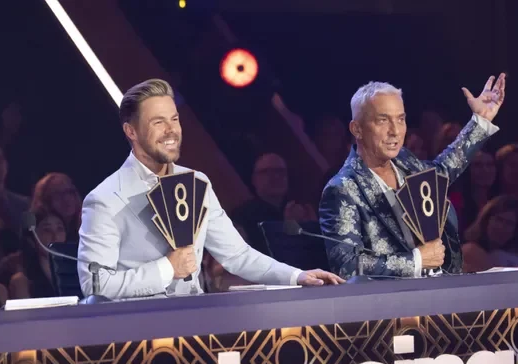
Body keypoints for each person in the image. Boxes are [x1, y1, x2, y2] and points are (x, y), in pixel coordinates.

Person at [77, 79, 343, 299]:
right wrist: (167, 268)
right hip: (139, 338)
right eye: (158, 122)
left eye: (174, 119)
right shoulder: (104, 199)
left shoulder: (197, 183)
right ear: (131, 131)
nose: (171, 130)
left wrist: (297, 276)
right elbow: (96, 286)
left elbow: (237, 255)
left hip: (198, 325)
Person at [319, 74, 506, 279]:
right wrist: (415, 260)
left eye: (400, 119)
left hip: (443, 292)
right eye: (383, 120)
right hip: (392, 305)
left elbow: (442, 171)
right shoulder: (343, 189)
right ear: (357, 129)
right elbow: (347, 265)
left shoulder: (405, 162)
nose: (395, 131)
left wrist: (480, 121)